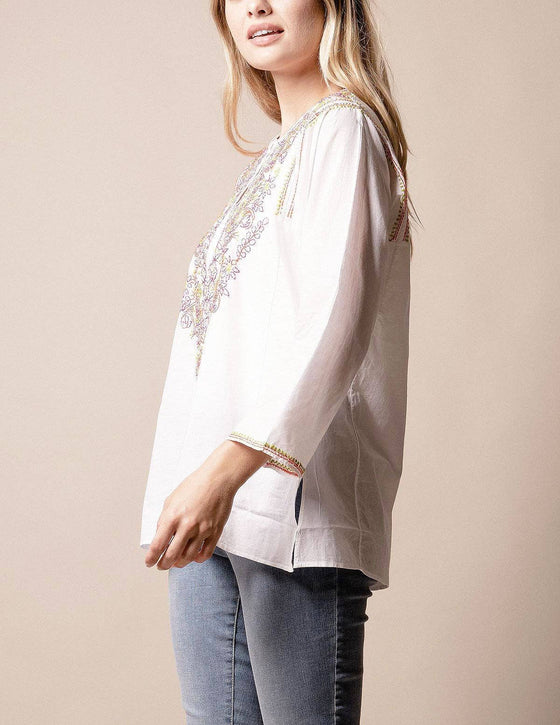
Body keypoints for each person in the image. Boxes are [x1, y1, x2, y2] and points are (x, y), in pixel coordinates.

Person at [140, 1, 418, 722]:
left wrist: (223, 473)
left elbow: (334, 323)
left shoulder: (347, 131)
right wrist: (202, 483)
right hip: (210, 508)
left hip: (288, 511)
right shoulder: (280, 154)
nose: (256, 5)